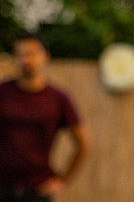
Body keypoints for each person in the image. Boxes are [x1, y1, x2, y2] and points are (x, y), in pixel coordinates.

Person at [0, 32, 91, 202]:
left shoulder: (57, 98)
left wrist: (62, 180)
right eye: (20, 54)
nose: (26, 60)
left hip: (38, 191)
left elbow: (83, 144)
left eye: (32, 54)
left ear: (45, 56)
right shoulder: (2, 93)